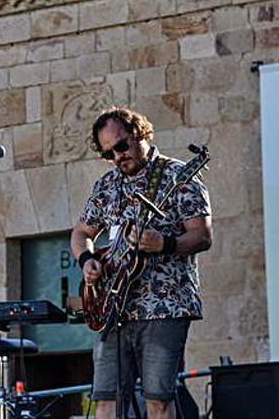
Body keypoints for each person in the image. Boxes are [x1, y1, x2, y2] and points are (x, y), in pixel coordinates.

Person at [71, 107, 212, 419]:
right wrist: (87, 259)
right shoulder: (107, 186)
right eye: (108, 154)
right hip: (115, 308)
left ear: (141, 134)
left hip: (164, 307)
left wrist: (166, 243)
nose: (118, 157)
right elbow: (81, 232)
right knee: (106, 399)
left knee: (158, 399)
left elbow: (202, 236)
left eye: (121, 146)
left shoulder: (179, 177)